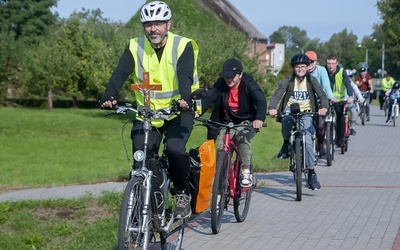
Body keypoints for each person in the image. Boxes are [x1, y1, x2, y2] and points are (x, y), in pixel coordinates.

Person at [99, 1, 199, 219]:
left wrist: (185, 98)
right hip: (146, 114)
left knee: (174, 149)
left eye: (158, 23)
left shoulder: (183, 45)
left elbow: (185, 75)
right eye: (148, 24)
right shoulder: (135, 45)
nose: (153, 28)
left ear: (168, 24)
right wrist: (109, 95)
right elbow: (120, 73)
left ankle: (183, 194)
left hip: (178, 111)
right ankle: (146, 209)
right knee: (141, 160)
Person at [200, 58, 267, 187]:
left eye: (232, 77)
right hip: (227, 121)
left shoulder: (248, 83)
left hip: (246, 121)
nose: (229, 80)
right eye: (226, 77)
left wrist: (259, 118)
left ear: (240, 74)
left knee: (240, 138)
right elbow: (209, 97)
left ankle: (246, 170)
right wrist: (197, 112)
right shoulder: (221, 84)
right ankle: (222, 178)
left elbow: (261, 100)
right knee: (221, 147)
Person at [268, 54, 328, 190]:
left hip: (307, 113)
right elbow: (278, 94)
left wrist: (324, 107)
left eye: (303, 67)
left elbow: (322, 95)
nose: (300, 69)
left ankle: (312, 171)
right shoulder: (288, 81)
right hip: (289, 111)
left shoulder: (312, 81)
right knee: (287, 121)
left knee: (307, 139)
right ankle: (285, 145)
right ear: (293, 68)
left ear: (307, 67)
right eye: (297, 67)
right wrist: (272, 107)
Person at [305, 50, 334, 158]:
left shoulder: (321, 70)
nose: (309, 63)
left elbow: (326, 85)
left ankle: (321, 145)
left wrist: (330, 97)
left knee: (320, 126)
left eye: (311, 61)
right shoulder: (302, 71)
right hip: (306, 101)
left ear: (316, 62)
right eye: (307, 61)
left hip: (319, 100)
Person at [325, 54, 354, 148]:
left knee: (340, 117)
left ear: (337, 63)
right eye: (329, 63)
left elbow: (348, 84)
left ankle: (340, 140)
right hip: (327, 99)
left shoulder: (342, 72)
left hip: (339, 100)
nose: (330, 66)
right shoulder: (323, 71)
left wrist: (350, 96)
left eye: (333, 63)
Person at [345, 69, 365, 136]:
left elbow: (357, 91)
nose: (349, 78)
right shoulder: (340, 83)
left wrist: (360, 98)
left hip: (350, 102)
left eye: (350, 77)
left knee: (354, 112)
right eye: (347, 77)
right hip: (341, 102)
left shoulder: (352, 84)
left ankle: (352, 128)